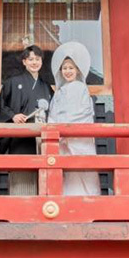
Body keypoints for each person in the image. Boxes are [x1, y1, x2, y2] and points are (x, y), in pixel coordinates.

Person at [0, 45, 52, 195]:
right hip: (20, 138)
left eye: (37, 59)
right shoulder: (12, 83)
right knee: (22, 175)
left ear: (41, 61)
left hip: (41, 137)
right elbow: (1, 106)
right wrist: (13, 116)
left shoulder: (46, 86)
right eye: (31, 59)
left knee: (44, 174)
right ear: (24, 62)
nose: (34, 62)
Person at [49, 41, 101, 196]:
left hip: (78, 139)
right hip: (62, 138)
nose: (67, 71)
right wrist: (54, 128)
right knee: (66, 172)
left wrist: (66, 127)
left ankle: (89, 199)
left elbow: (84, 112)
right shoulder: (59, 92)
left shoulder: (81, 88)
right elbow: (52, 114)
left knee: (83, 169)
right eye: (64, 68)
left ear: (78, 70)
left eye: (71, 68)